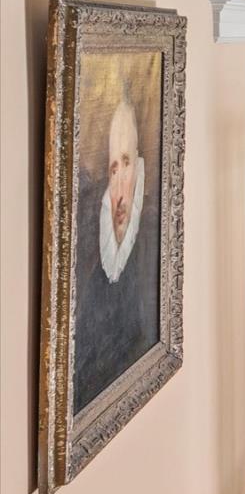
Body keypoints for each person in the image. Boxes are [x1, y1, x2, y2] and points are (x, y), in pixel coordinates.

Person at [72, 95, 160, 411]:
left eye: (126, 163)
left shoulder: (153, 244)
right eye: (112, 170)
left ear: (139, 164)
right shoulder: (95, 265)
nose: (120, 185)